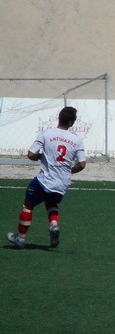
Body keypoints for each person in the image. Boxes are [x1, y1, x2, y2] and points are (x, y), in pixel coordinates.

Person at [7, 106, 86, 249]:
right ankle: (54, 224)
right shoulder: (77, 140)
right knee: (51, 202)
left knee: (28, 205)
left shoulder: (46, 134)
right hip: (62, 184)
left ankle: (20, 238)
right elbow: (81, 164)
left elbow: (31, 154)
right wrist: (69, 172)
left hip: (44, 180)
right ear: (71, 122)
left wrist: (40, 156)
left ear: (59, 118)